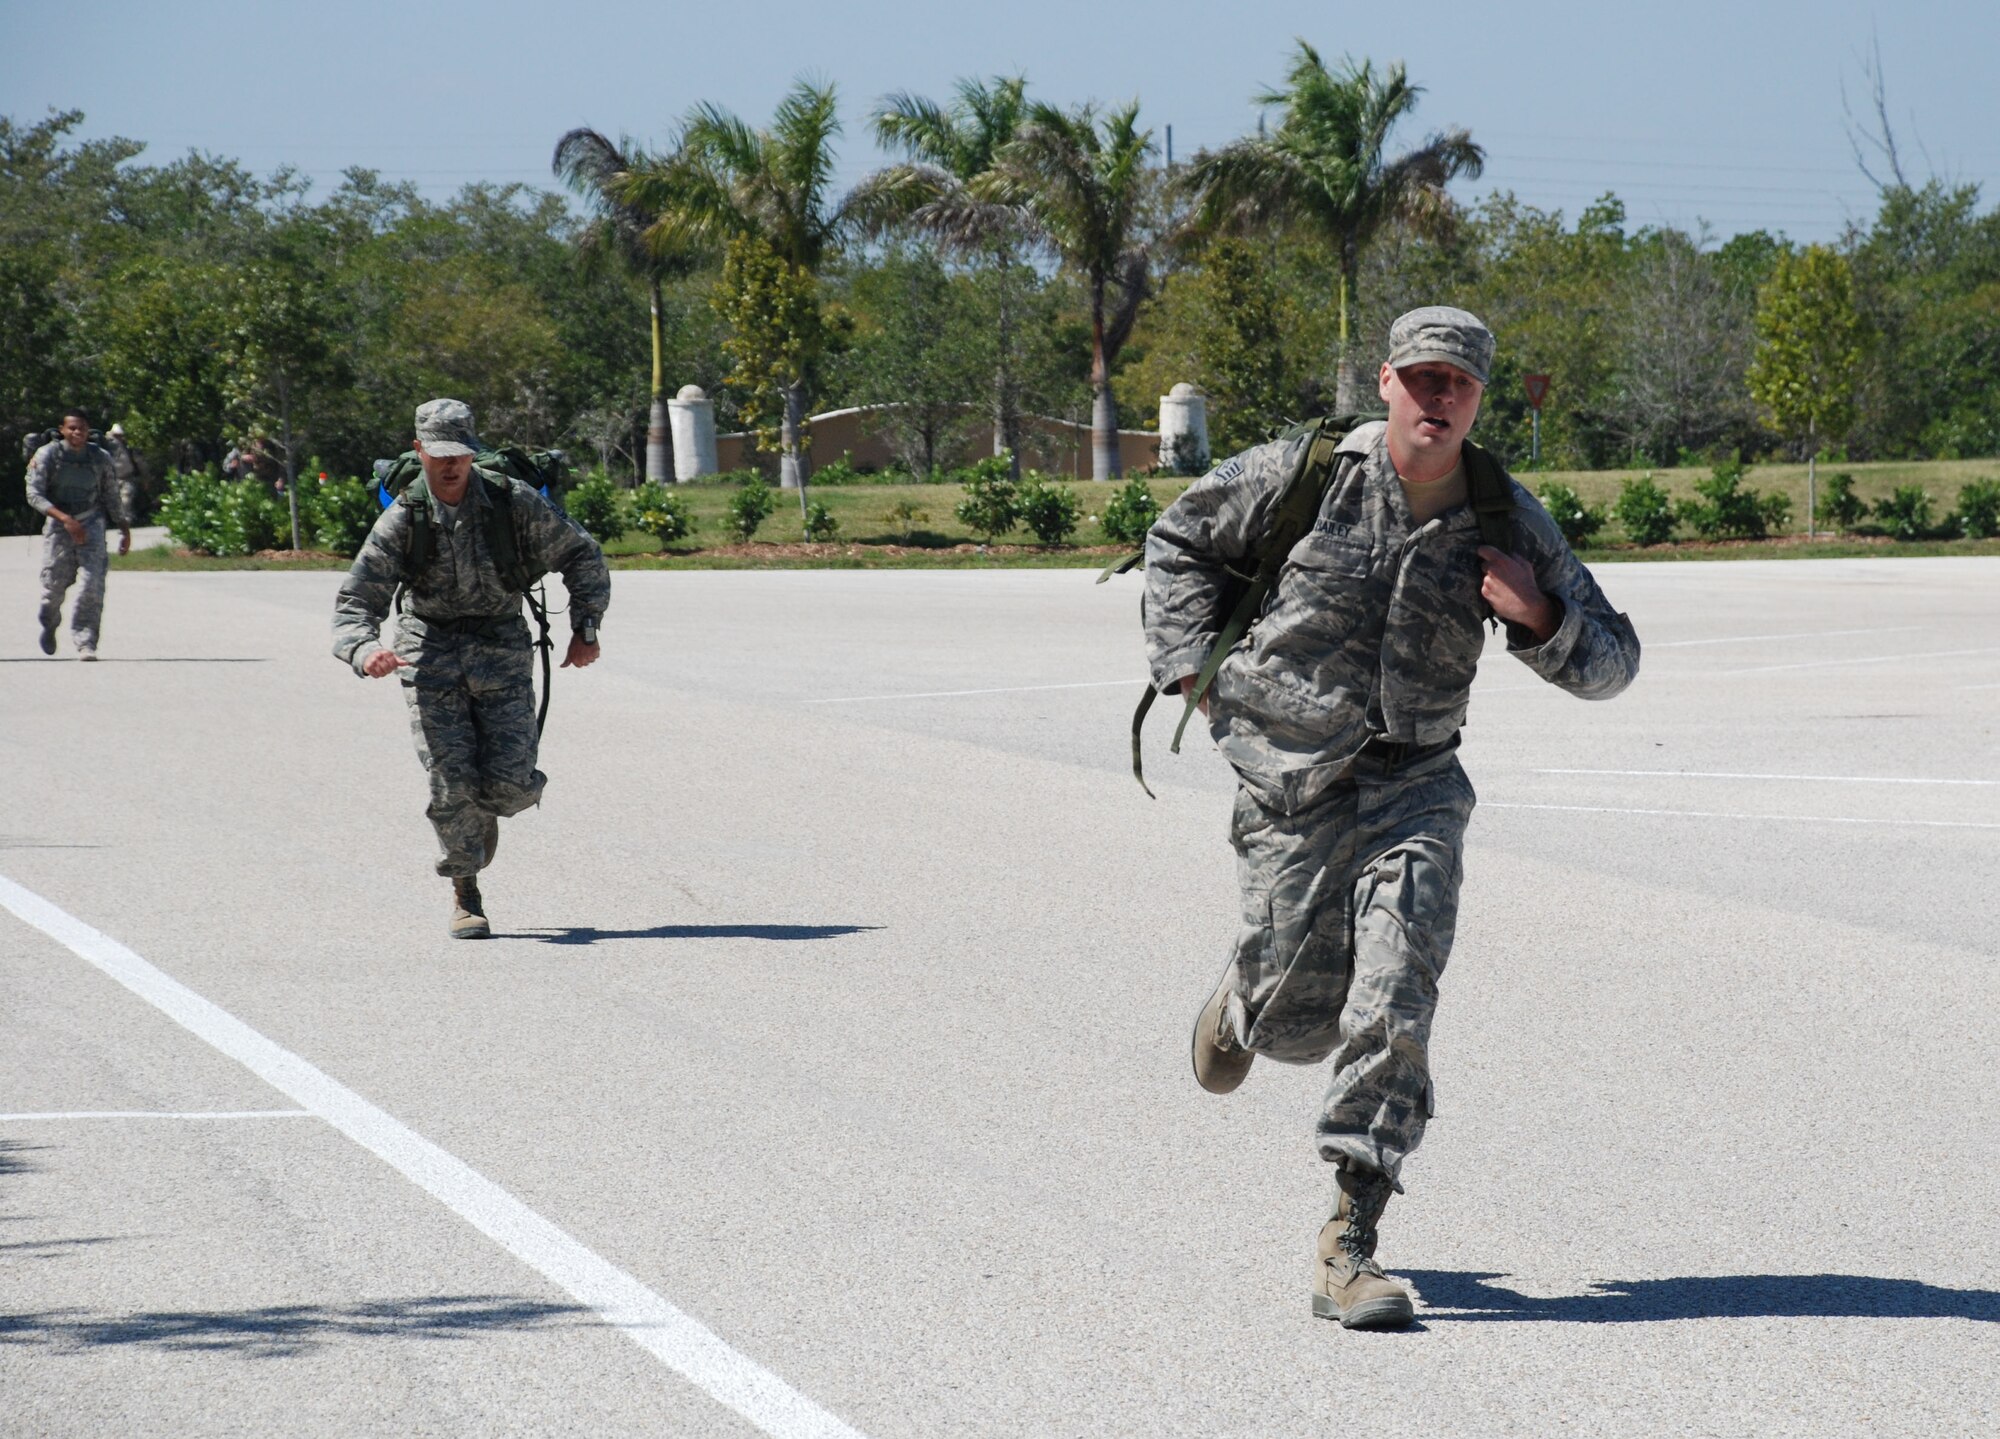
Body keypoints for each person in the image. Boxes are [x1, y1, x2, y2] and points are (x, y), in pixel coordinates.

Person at [1142, 307, 1641, 1329]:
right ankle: (1243, 993)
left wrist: (1538, 617)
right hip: (1290, 777)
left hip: (1416, 784)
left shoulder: (1504, 516)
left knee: (1392, 1003)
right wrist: (1189, 665)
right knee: (1294, 1022)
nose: (1435, 397)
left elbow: (1615, 660)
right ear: (1384, 383)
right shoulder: (1305, 474)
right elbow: (1177, 542)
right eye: (1419, 378)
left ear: (1476, 398)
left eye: (1455, 383)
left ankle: (1348, 1239)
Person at [331, 399, 611, 939]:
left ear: (472, 453)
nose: (450, 465)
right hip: (428, 652)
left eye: (459, 454)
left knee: (510, 786)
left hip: (500, 646)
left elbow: (582, 555)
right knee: (449, 779)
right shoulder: (402, 518)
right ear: (420, 452)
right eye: (438, 455)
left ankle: (481, 817)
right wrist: (365, 651)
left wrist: (586, 627)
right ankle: (465, 890)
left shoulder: (513, 503)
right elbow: (355, 602)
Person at [26, 409, 133, 660]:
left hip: (91, 523)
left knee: (92, 584)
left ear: (88, 431)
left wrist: (124, 529)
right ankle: (49, 622)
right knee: (52, 589)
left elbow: (111, 495)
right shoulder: (48, 455)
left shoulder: (99, 458)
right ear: (62, 430)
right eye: (72, 428)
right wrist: (64, 519)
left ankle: (86, 640)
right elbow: (34, 494)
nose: (77, 433)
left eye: (82, 428)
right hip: (59, 525)